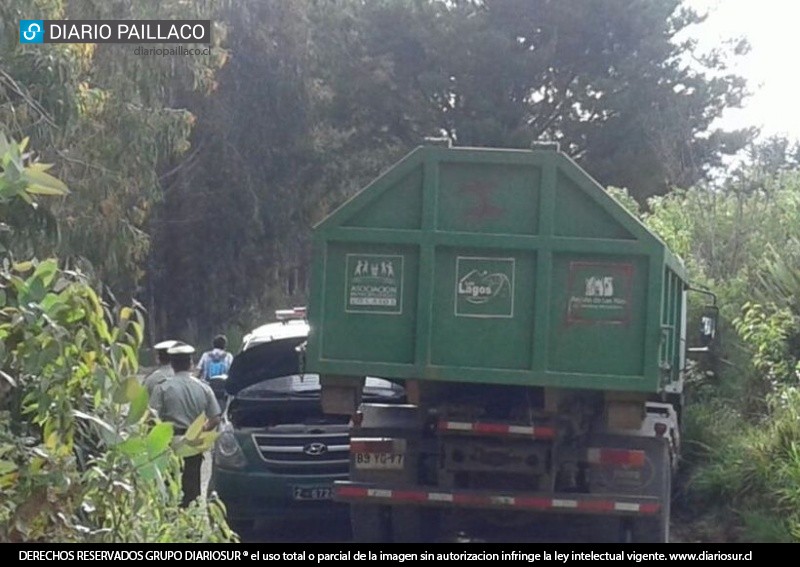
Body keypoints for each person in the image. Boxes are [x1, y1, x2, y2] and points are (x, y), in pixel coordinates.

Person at [150, 342, 221, 507]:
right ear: (191, 363)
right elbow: (216, 417)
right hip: (194, 443)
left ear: (172, 364)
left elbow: (152, 418)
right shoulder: (204, 388)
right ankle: (191, 525)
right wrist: (200, 430)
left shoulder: (163, 388)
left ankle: (172, 522)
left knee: (170, 486)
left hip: (170, 443)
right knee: (192, 486)